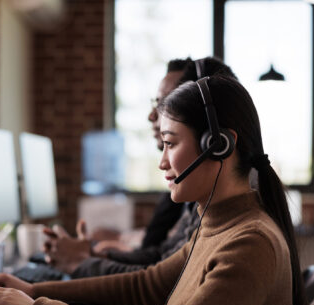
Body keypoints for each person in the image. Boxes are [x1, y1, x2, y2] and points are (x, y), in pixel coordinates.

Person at [0, 75, 307, 305]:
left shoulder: (250, 243)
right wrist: (33, 290)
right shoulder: (216, 225)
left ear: (218, 145)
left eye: (170, 144)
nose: (162, 162)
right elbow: (145, 286)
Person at [45, 57, 236, 279]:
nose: (153, 115)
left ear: (212, 140)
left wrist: (82, 262)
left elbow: (155, 283)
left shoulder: (231, 218)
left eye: (166, 103)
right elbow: (161, 261)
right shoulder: (203, 197)